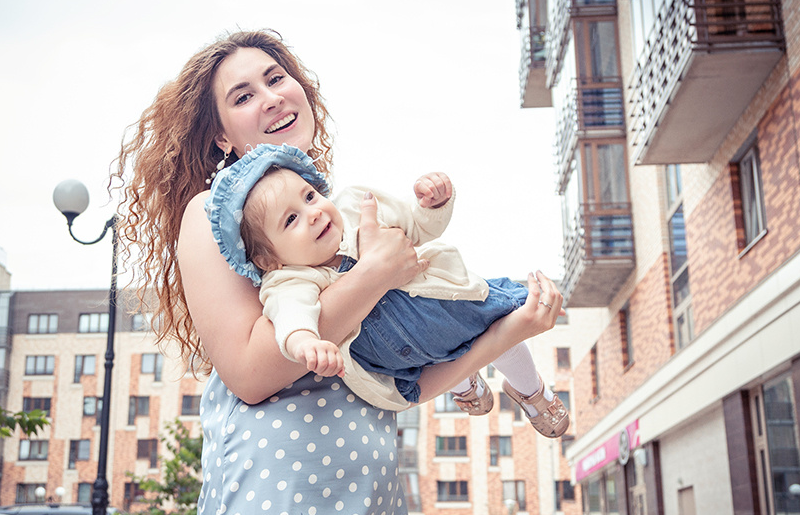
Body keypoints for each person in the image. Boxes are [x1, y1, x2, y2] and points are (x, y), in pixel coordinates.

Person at [114, 29, 564, 515]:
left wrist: (510, 331)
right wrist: (374, 273)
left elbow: (402, 378)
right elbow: (250, 370)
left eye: (276, 77)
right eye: (243, 95)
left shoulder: (331, 218)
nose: (270, 97)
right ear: (219, 136)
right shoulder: (214, 216)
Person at [206, 142, 570, 438]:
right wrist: (306, 343)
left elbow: (418, 226)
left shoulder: (354, 208)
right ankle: (465, 386)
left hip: (443, 305)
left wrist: (432, 204)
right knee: (445, 361)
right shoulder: (290, 279)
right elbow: (291, 317)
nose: (313, 213)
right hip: (402, 356)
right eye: (291, 219)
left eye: (310, 197)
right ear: (270, 260)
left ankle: (531, 391)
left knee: (499, 324)